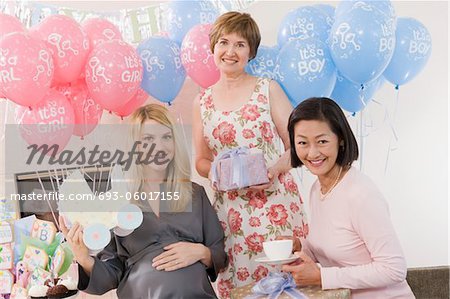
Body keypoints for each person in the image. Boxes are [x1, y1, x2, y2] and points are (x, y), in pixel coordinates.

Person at [192, 11, 307, 298]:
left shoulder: (267, 89)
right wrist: (225, 175)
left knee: (285, 283)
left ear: (251, 52)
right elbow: (201, 161)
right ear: (213, 48)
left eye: (240, 44)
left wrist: (273, 171)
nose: (230, 51)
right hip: (231, 215)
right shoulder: (201, 101)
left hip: (274, 204)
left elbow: (298, 147)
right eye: (224, 42)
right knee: (241, 288)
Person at [60, 104, 228, 299]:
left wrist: (201, 252)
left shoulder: (194, 194)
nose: (160, 146)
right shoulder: (118, 198)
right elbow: (111, 274)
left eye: (166, 137)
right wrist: (83, 258)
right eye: (148, 138)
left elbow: (219, 254)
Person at [280, 97, 414, 298]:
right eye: (302, 143)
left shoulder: (360, 194)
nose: (312, 152)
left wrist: (321, 277)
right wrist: (301, 246)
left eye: (322, 141)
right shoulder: (318, 189)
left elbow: (394, 268)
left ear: (340, 139)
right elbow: (333, 251)